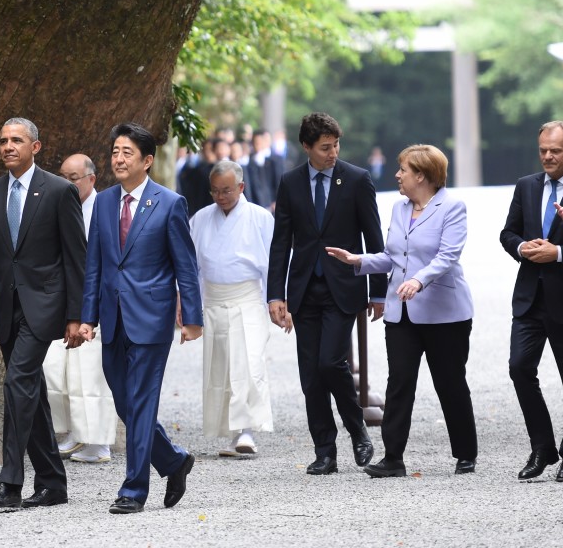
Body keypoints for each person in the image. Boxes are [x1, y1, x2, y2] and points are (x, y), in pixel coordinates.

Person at [327, 144, 478, 477]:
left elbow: (447, 256)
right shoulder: (398, 208)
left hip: (445, 314)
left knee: (450, 382)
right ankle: (393, 457)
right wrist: (359, 261)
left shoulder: (452, 208)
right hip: (402, 314)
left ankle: (465, 453)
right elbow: (394, 258)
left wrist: (419, 281)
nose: (397, 175)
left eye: (403, 170)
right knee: (399, 383)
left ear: (421, 175)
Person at [79, 122, 202, 515]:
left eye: (127, 152)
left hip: (151, 317)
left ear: (147, 161)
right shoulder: (102, 201)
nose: (118, 158)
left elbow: (186, 265)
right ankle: (172, 459)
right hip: (112, 317)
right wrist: (87, 317)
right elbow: (94, 265)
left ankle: (133, 489)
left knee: (142, 400)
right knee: (124, 400)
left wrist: (192, 317)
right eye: (115, 151)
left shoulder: (169, 203)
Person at [0, 118, 86, 509]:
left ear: (35, 147)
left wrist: (75, 315)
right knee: (29, 394)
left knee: (17, 383)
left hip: (45, 306)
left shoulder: (59, 190)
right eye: (2, 141)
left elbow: (75, 259)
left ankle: (10, 483)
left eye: (16, 140)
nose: (8, 146)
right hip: (7, 309)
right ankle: (53, 483)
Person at [267, 112, 385, 476]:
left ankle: (357, 429)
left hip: (342, 287)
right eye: (325, 147)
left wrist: (378, 291)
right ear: (306, 147)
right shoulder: (290, 182)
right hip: (304, 289)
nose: (333, 153)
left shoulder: (357, 179)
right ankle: (325, 451)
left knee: (330, 362)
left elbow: (374, 237)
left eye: (336, 145)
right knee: (310, 375)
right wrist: (275, 294)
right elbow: (280, 242)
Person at [498, 121, 563, 482]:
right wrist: (522, 247)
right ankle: (542, 447)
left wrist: (559, 250)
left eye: (555, 150)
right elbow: (508, 233)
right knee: (519, 367)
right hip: (529, 298)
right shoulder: (526, 186)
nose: (548, 156)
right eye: (543, 150)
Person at [189, 160, 274, 456]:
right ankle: (230, 429)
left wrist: (277, 301)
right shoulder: (200, 218)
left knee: (248, 363)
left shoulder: (260, 218)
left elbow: (273, 266)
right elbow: (192, 268)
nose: (220, 197)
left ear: (241, 187)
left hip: (248, 297)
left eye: (226, 190)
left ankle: (247, 430)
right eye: (214, 191)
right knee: (222, 366)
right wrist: (188, 307)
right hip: (213, 299)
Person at [44, 153, 117, 464]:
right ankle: (74, 430)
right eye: (64, 177)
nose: (68, 183)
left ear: (92, 179)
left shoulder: (108, 207)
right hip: (67, 297)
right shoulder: (59, 203)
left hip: (100, 299)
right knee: (55, 368)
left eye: (74, 178)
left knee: (92, 373)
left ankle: (98, 443)